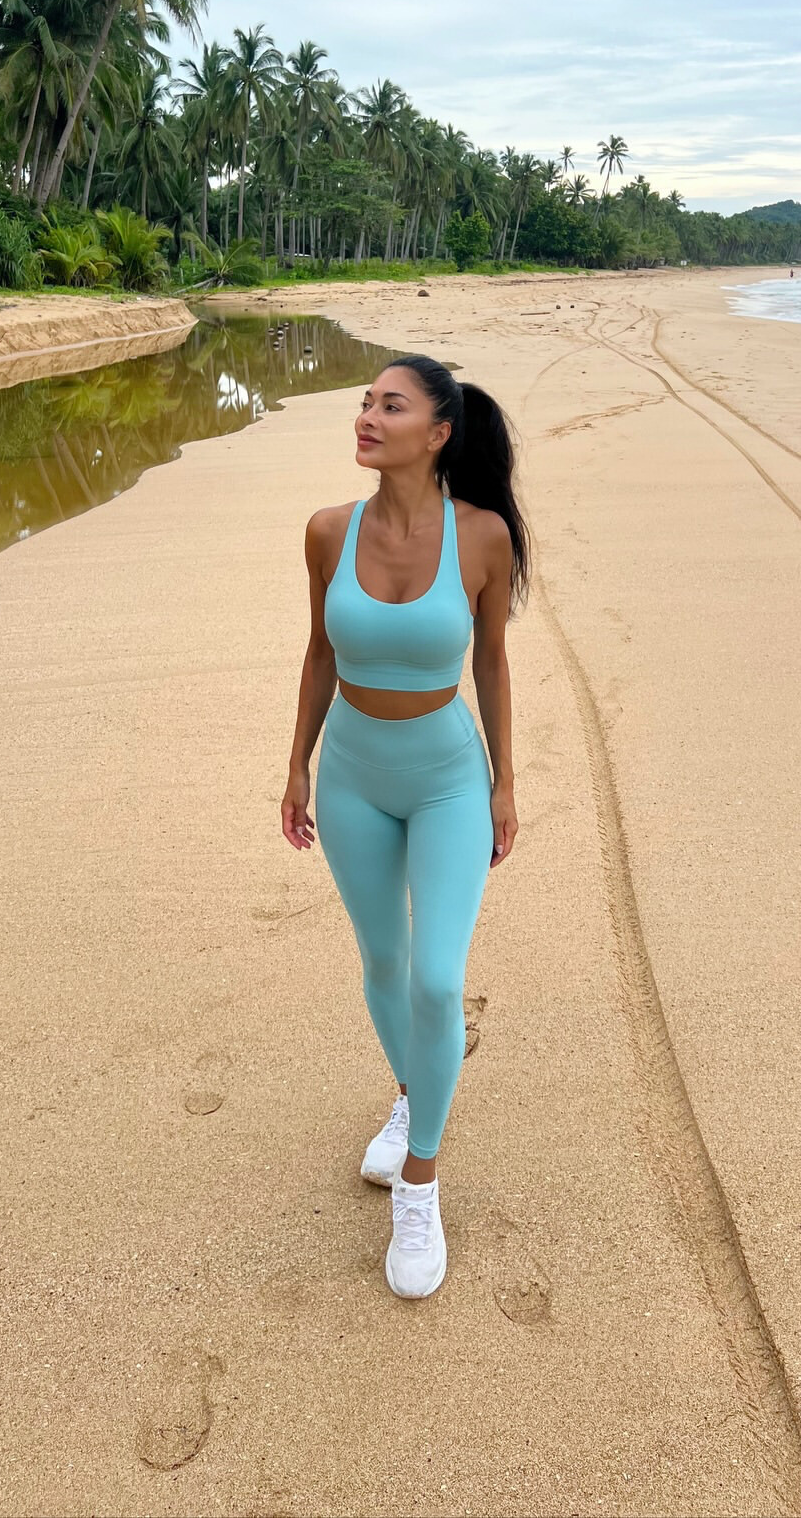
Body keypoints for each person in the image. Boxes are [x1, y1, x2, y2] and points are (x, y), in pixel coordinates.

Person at [282, 353, 530, 1299]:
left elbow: (492, 664)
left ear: (438, 433)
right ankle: (411, 1095)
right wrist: (296, 767)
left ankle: (419, 1183)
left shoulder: (483, 537)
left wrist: (505, 783)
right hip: (351, 775)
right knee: (384, 964)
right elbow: (318, 653)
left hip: (446, 782)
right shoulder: (326, 532)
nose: (367, 416)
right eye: (364, 402)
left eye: (390, 405)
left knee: (437, 978)